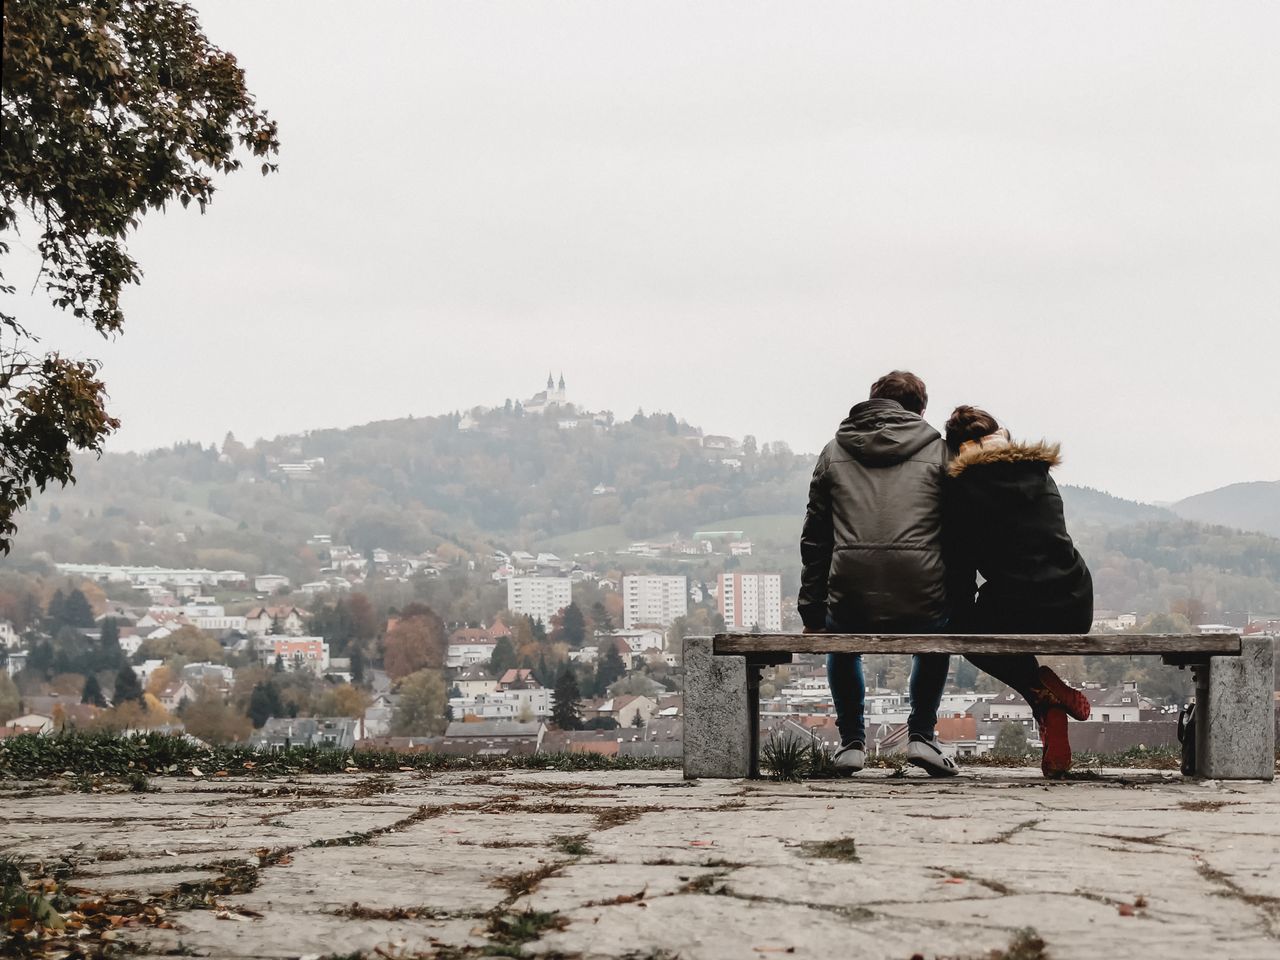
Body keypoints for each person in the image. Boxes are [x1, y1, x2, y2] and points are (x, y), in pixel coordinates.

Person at [799, 370, 958, 777]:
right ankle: (921, 735)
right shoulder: (939, 451)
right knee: (936, 637)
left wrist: (811, 611)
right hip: (922, 590)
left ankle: (851, 743)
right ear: (920, 410)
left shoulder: (834, 450)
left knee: (839, 638)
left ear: (872, 402)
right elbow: (958, 533)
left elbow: (816, 538)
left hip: (850, 591)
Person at [943, 405, 1094, 777]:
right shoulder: (1040, 474)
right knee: (1001, 604)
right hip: (1076, 602)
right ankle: (1047, 704)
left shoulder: (964, 489)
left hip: (1016, 605)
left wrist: (960, 614)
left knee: (963, 630)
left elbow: (960, 569)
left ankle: (1041, 695)